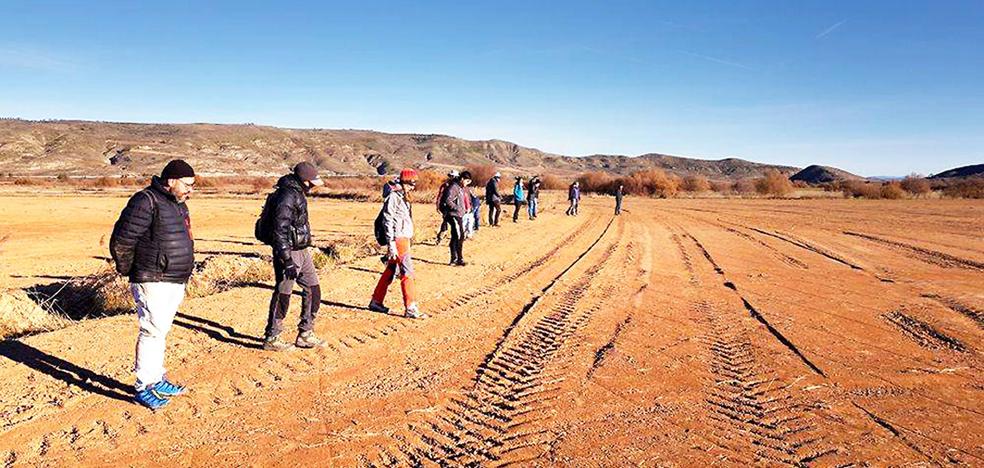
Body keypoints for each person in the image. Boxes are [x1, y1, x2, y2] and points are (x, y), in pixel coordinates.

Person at [110, 159, 197, 410]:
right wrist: (132, 271)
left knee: (161, 331)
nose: (191, 190)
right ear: (171, 181)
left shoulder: (178, 205)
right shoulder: (145, 201)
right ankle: (143, 385)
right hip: (152, 278)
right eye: (187, 184)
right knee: (151, 331)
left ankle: (156, 379)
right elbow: (122, 240)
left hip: (174, 278)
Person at [261, 162, 326, 352]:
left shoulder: (297, 193)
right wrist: (286, 259)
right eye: (312, 183)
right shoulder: (287, 195)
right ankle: (272, 337)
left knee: (313, 289)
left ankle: (305, 333)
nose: (313, 187)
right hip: (289, 251)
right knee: (283, 294)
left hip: (302, 250)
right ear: (304, 181)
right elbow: (279, 229)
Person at [369, 169, 426, 319]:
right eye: (412, 183)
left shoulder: (403, 196)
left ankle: (376, 301)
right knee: (407, 272)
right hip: (398, 239)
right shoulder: (394, 196)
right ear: (405, 182)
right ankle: (411, 307)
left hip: (403, 238)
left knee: (390, 270)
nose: (413, 187)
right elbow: (387, 219)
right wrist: (391, 242)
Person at [440, 170, 471, 266]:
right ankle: (458, 259)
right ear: (462, 179)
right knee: (459, 236)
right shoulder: (454, 187)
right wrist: (457, 208)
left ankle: (455, 259)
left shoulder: (460, 188)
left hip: (458, 215)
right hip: (453, 215)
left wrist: (464, 209)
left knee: (456, 236)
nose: (467, 183)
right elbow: (448, 200)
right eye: (467, 181)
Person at [434, 170, 459, 244]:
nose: (452, 177)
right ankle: (440, 237)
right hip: (445, 206)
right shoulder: (445, 185)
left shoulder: (458, 185)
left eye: (454, 176)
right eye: (451, 176)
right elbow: (440, 196)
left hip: (454, 206)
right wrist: (438, 206)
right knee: (446, 221)